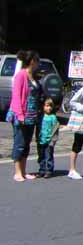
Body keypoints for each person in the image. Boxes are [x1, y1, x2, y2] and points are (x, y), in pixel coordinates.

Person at [7, 50, 41, 182]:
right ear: (32, 61)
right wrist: (20, 115)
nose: (38, 64)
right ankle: (17, 172)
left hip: (32, 115)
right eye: (37, 61)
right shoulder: (21, 75)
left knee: (26, 144)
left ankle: (24, 170)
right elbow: (16, 96)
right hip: (21, 114)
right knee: (19, 143)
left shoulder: (32, 75)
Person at [36, 98, 60, 178]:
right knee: (41, 156)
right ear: (43, 106)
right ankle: (42, 170)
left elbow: (56, 129)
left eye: (50, 106)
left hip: (49, 140)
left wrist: (53, 140)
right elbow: (38, 128)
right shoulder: (41, 117)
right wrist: (37, 138)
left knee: (49, 156)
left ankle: (49, 170)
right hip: (41, 140)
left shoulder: (53, 117)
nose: (49, 108)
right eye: (47, 106)